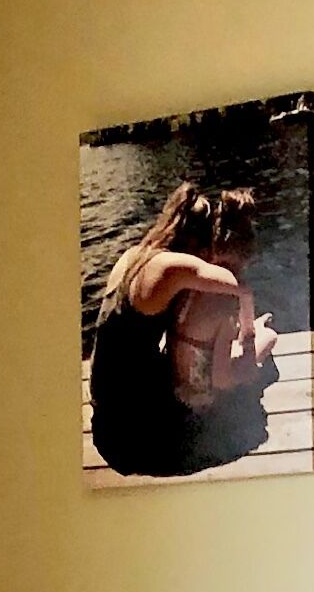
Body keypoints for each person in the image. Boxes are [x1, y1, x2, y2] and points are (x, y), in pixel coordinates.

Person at [86, 179, 279, 477]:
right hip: (128, 429)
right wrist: (245, 298)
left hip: (107, 406)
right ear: (198, 243)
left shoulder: (134, 255)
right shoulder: (171, 268)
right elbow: (229, 282)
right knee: (234, 415)